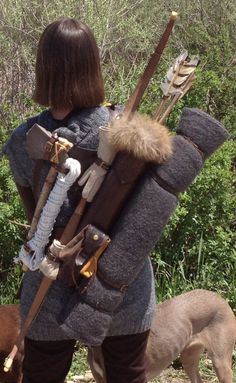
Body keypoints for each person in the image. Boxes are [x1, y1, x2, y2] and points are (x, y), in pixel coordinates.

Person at [3, 18, 157, 383]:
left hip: (52, 283)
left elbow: (36, 221)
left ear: (44, 68)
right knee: (127, 376)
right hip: (120, 281)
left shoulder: (23, 141)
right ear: (92, 66)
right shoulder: (128, 129)